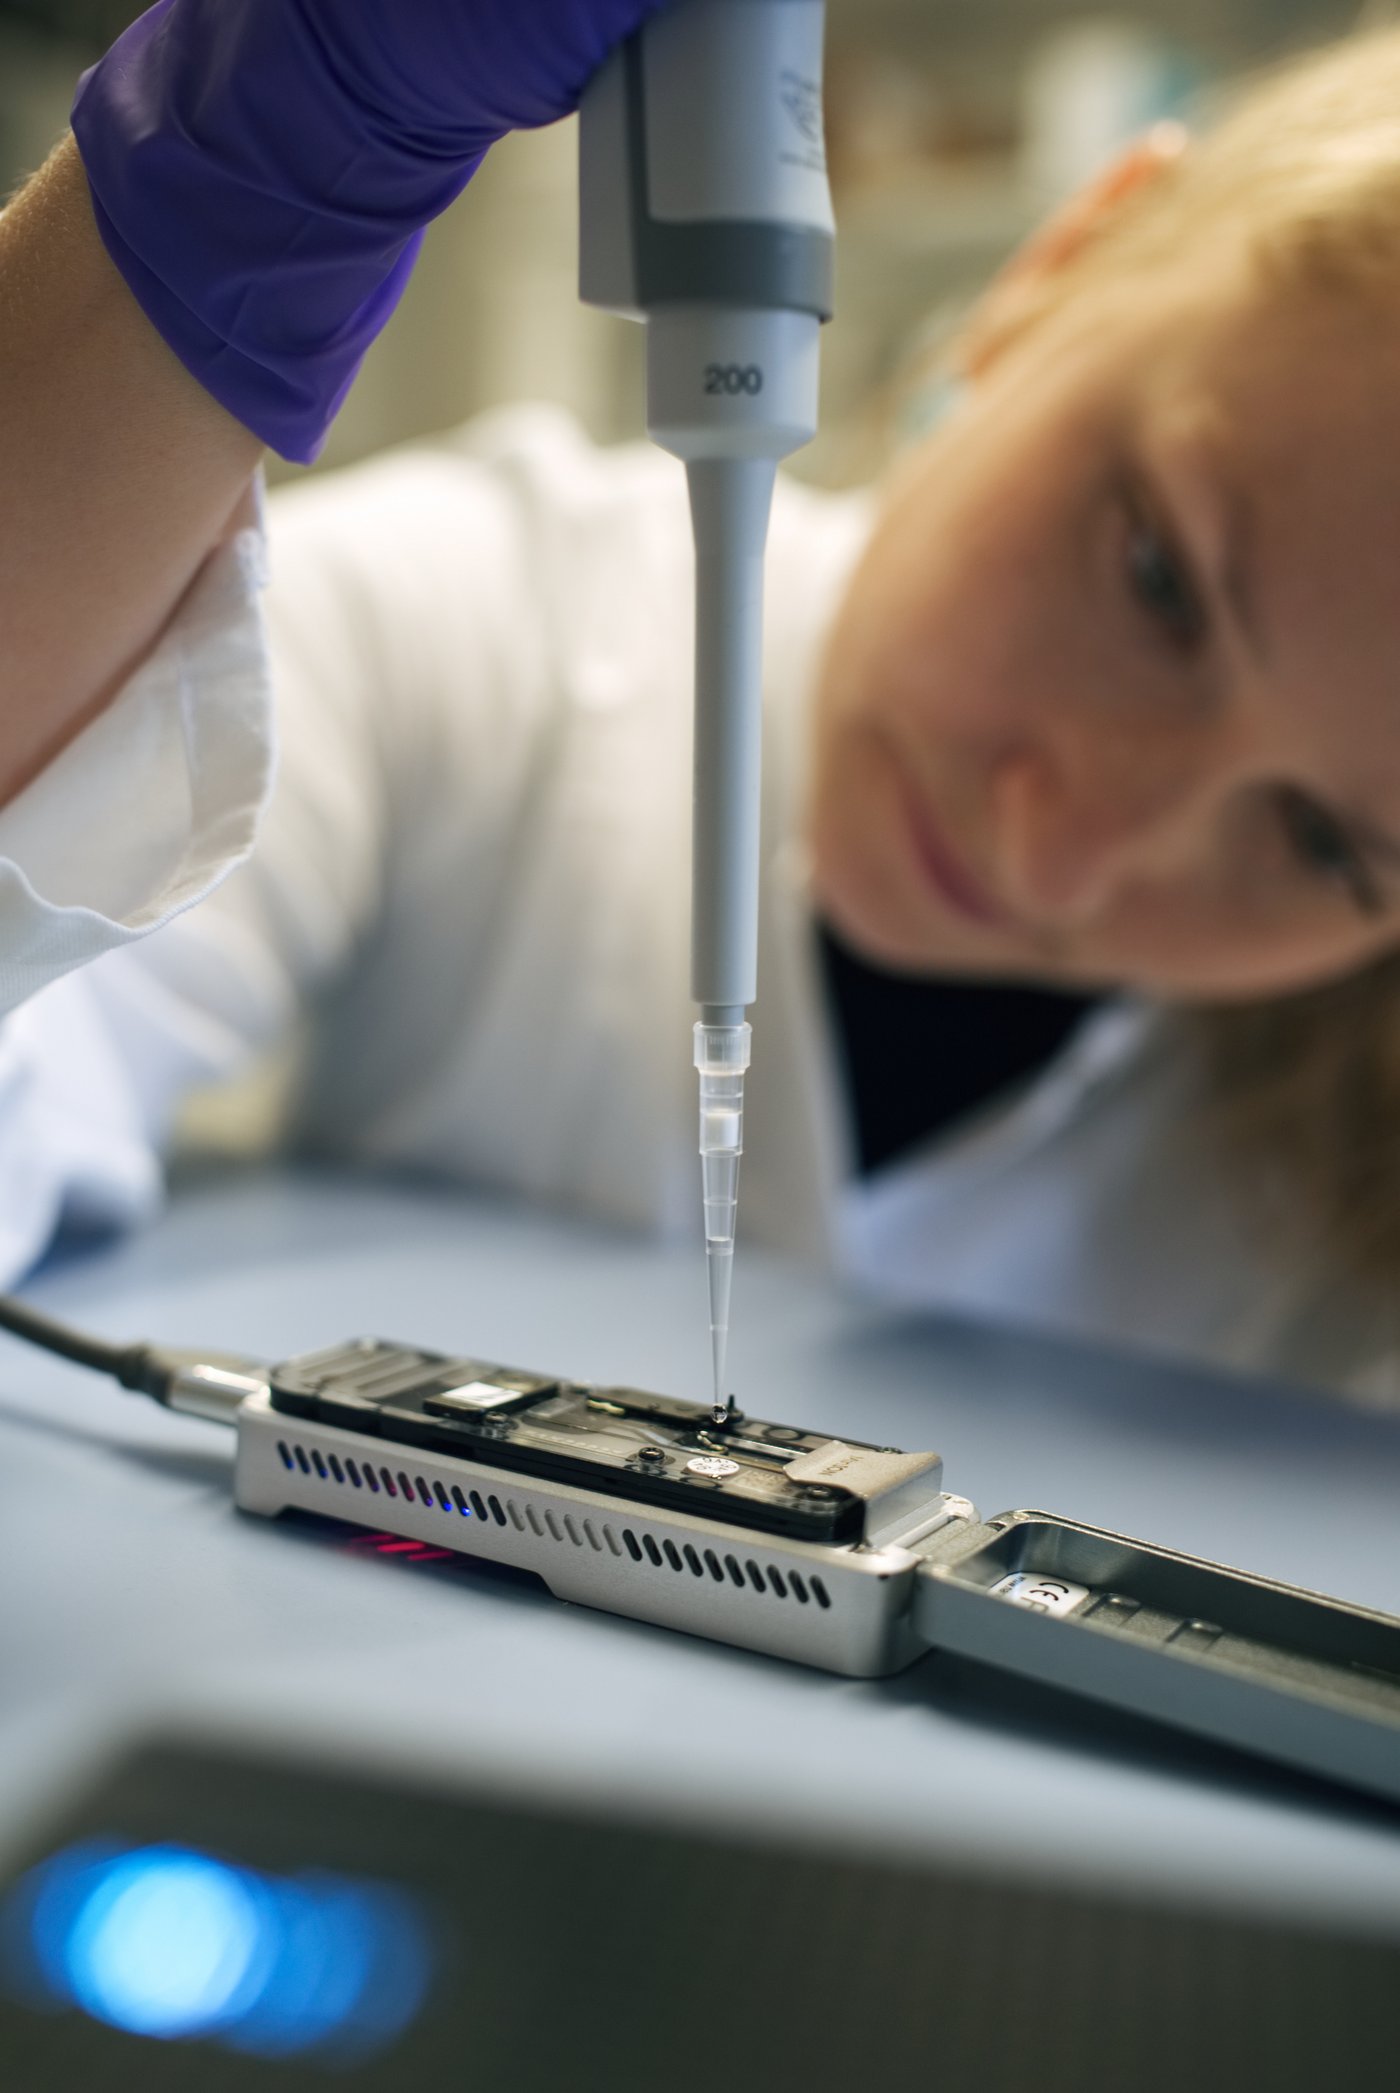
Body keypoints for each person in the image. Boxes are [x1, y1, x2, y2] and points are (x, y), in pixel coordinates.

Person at [3, 7, 1400, 1403]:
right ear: (1069, 258)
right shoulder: (498, 624)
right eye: (1158, 581)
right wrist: (238, 159)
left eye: (1326, 848)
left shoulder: (1341, 1177)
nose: (1057, 850)